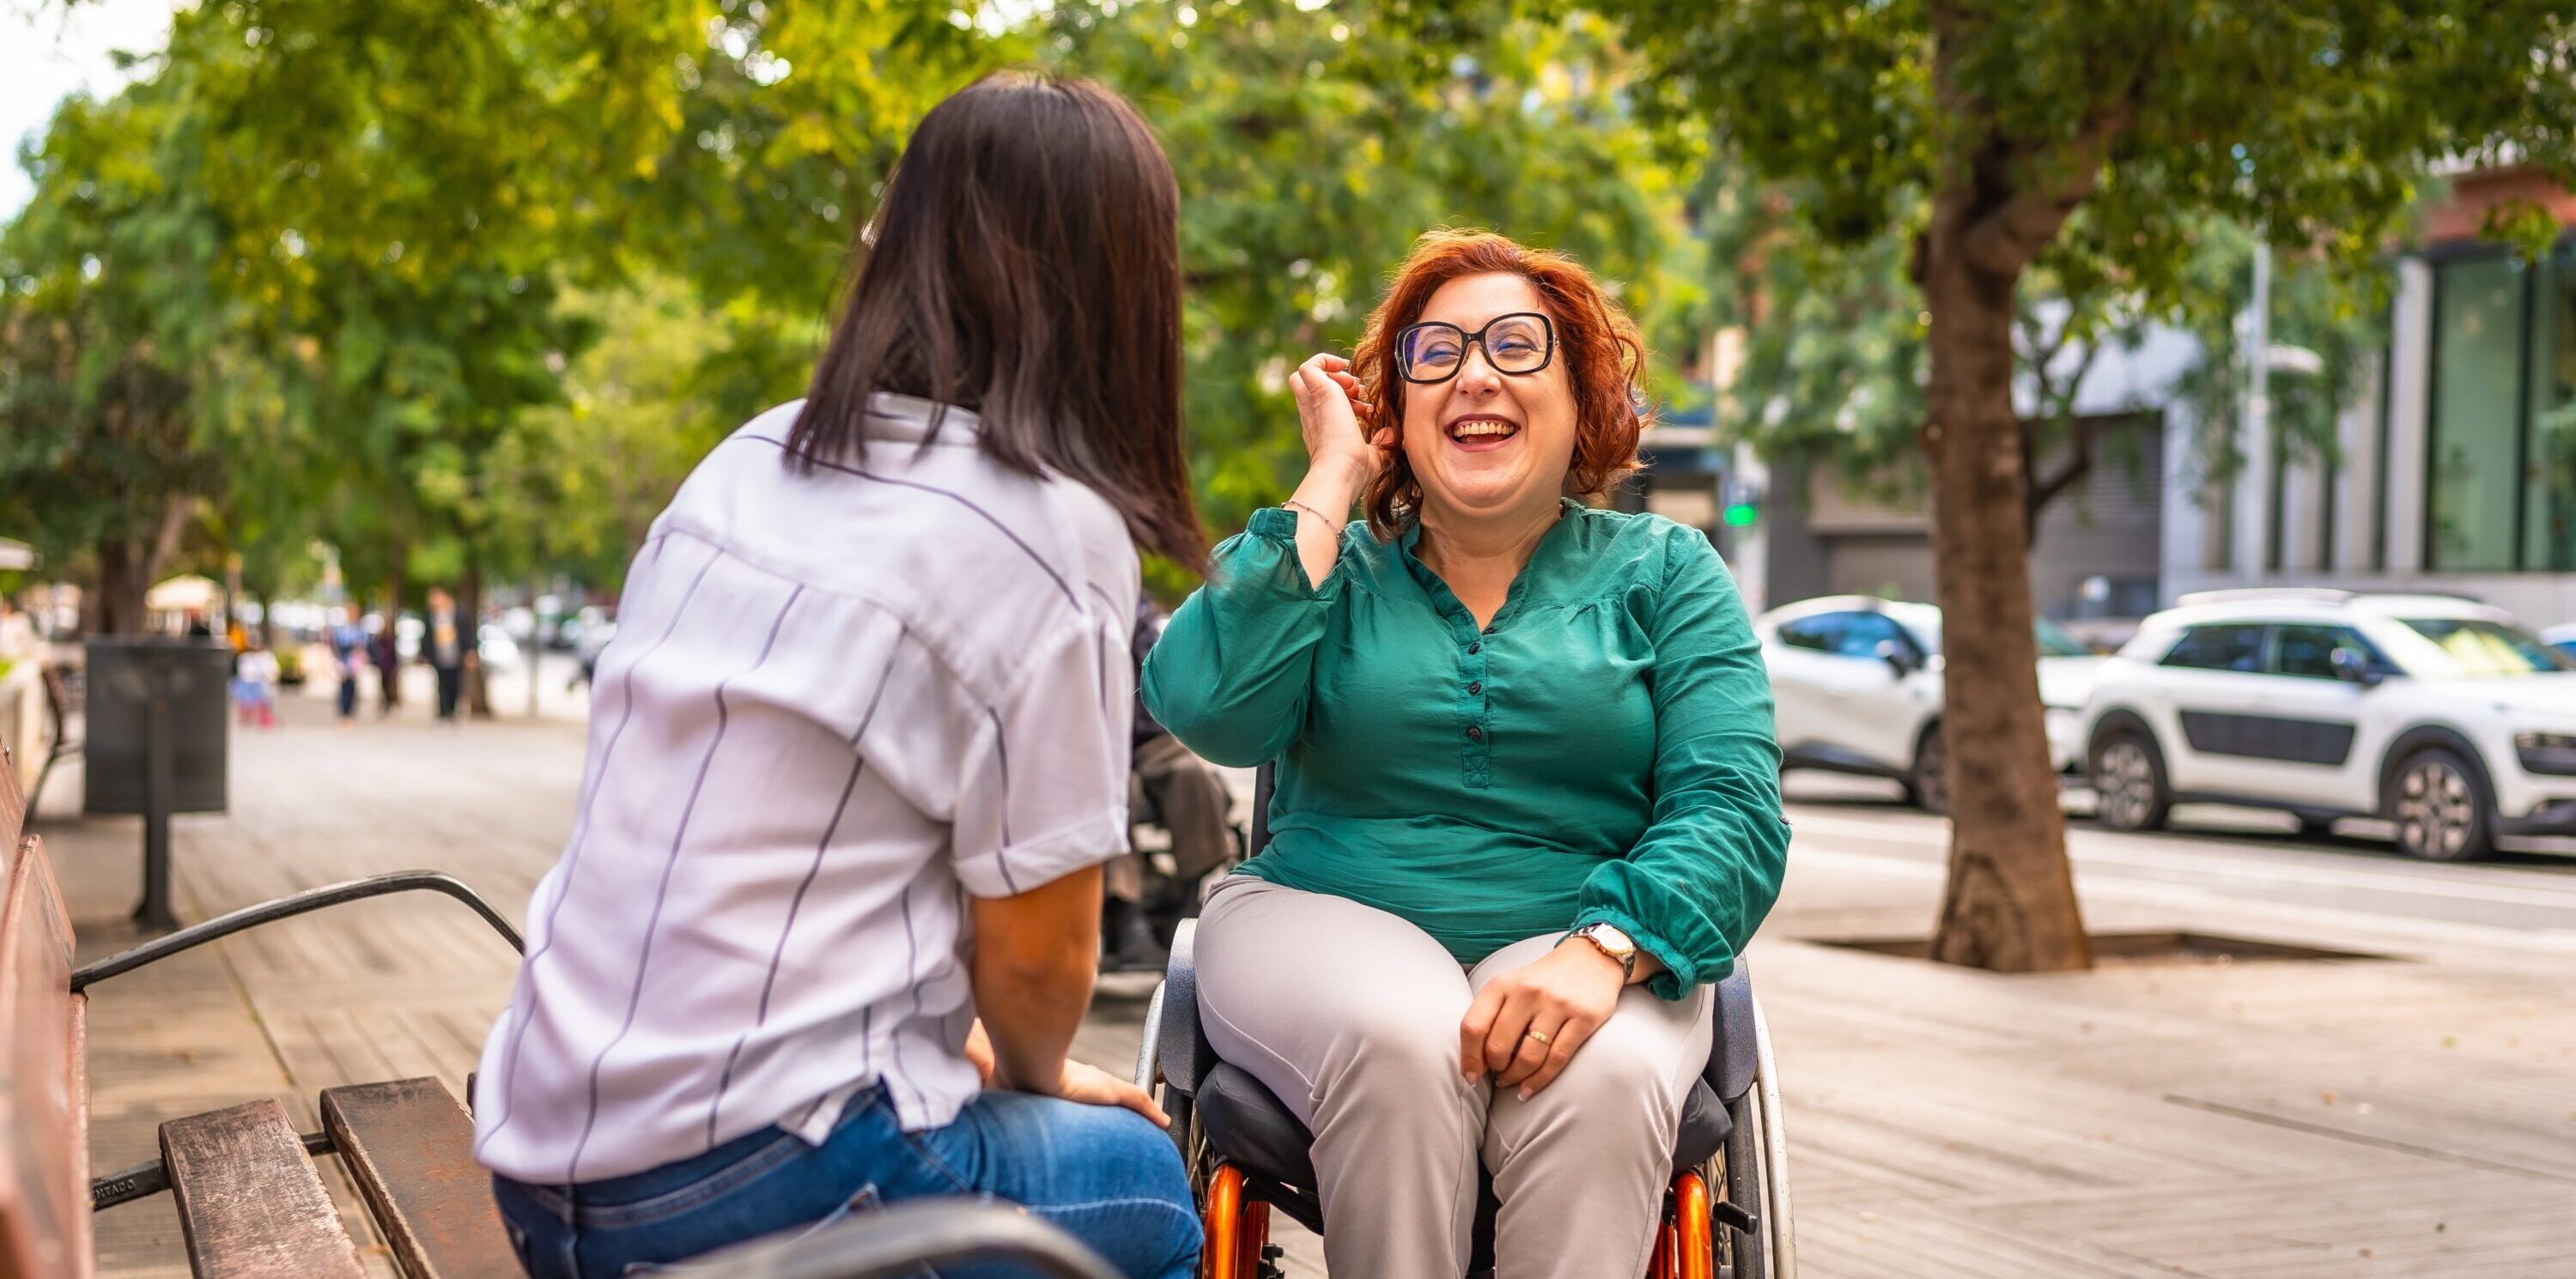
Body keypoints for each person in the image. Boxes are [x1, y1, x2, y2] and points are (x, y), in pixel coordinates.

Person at [473, 72, 1205, 1279]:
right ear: (1121, 289)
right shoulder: (1051, 532)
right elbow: (1033, 967)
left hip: (546, 1151)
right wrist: (1037, 1077)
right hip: (750, 1183)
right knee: (1149, 1188)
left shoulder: (753, 454)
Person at [1143, 231, 1792, 1279]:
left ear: (1582, 398)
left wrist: (1610, 945)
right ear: (1394, 410)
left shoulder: (1667, 570)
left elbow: (1733, 808)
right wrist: (1331, 476)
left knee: (1612, 1074)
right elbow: (1205, 708)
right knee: (1406, 1034)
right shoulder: (1333, 567)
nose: (1475, 372)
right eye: (1434, 353)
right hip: (1316, 919)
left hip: (1592, 934)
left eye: (1515, 345)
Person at [1103, 599, 1236, 972]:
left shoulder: (1136, 610)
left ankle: (1186, 895)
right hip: (1093, 744)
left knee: (1191, 775)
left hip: (1146, 737)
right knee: (1117, 794)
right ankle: (1127, 914)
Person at [424, 588, 468, 724]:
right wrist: (425, 654)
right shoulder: (432, 616)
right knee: (441, 684)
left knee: (455, 684)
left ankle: (452, 710)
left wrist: (469, 651)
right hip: (439, 655)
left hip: (455, 654)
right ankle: (443, 711)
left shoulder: (458, 614)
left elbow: (467, 633)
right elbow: (427, 637)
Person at [233, 640, 278, 730]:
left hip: (262, 683)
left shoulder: (267, 656)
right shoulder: (245, 657)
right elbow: (244, 671)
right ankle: (246, 720)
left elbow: (273, 669)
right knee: (246, 702)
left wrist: (270, 677)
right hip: (248, 683)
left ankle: (265, 721)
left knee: (264, 703)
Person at [328, 607, 365, 720]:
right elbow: (337, 646)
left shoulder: (359, 630)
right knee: (344, 687)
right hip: (344, 661)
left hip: (354, 662)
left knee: (352, 687)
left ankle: (350, 711)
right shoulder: (342, 629)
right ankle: (344, 711)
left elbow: (362, 645)